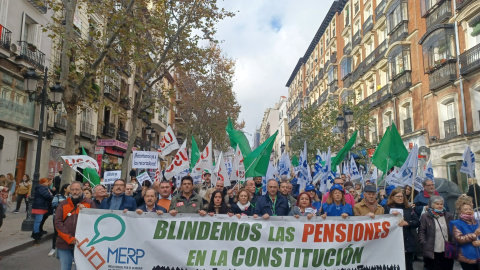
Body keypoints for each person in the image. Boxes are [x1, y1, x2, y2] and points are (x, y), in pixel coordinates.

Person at [55, 181, 95, 270]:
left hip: (82, 244)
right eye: (72, 189)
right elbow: (58, 222)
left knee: (80, 268)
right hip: (64, 243)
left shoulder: (89, 203)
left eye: (77, 189)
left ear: (82, 190)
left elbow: (94, 221)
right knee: (65, 267)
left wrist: (86, 211)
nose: (74, 192)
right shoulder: (63, 204)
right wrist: (69, 238)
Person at [383, 188, 419, 270]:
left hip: (407, 242)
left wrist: (407, 223)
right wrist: (390, 216)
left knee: (408, 264)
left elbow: (417, 222)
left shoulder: (409, 209)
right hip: (392, 242)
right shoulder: (386, 208)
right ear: (392, 197)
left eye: (402, 196)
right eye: (397, 196)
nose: (400, 198)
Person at [418, 195, 454, 270]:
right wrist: (424, 243)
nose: (440, 206)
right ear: (432, 205)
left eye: (441, 204)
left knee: (447, 267)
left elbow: (452, 230)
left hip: (447, 248)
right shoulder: (426, 216)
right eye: (437, 204)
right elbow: (422, 231)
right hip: (433, 248)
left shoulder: (448, 215)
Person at [450, 194, 480, 269]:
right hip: (466, 256)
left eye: (470, 209)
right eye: (465, 209)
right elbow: (459, 239)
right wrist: (474, 235)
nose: (468, 211)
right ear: (460, 211)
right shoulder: (456, 223)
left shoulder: (478, 222)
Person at [48, 184, 70, 257]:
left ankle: (66, 249)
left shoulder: (71, 197)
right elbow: (53, 204)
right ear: (65, 189)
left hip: (68, 218)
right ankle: (53, 248)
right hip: (58, 217)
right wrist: (62, 204)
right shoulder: (58, 196)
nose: (71, 189)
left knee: (67, 232)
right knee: (56, 233)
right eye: (69, 187)